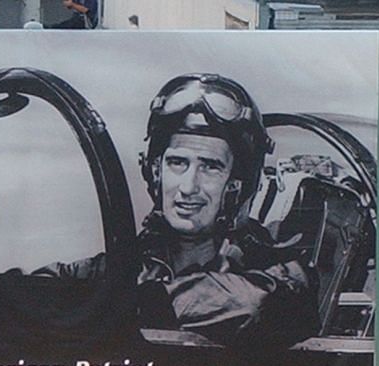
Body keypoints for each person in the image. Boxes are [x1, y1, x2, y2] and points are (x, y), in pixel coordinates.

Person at [44, 74, 316, 349]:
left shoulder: (284, 277)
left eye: (210, 166)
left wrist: (109, 303)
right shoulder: (124, 265)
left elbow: (251, 305)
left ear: (237, 184)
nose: (188, 187)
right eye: (177, 162)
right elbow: (30, 293)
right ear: (155, 173)